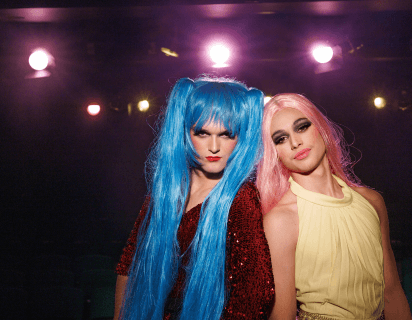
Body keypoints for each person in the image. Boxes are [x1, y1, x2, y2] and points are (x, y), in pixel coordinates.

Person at [114, 76, 275, 320]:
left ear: (241, 138)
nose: (214, 146)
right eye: (202, 133)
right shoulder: (165, 193)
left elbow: (253, 294)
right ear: (185, 133)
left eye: (226, 134)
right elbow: (129, 264)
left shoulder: (241, 199)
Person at [256, 93, 412, 320]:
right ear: (274, 153)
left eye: (301, 127)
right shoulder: (281, 220)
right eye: (280, 139)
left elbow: (392, 293)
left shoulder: (371, 201)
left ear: (320, 127)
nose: (295, 142)